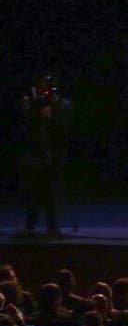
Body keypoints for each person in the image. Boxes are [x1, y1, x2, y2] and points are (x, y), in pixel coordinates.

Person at [16, 75, 72, 239]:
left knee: (50, 193)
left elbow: (65, 128)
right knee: (34, 192)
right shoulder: (33, 104)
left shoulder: (62, 104)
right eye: (38, 86)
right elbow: (26, 127)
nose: (40, 89)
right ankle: (30, 226)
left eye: (43, 86)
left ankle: (51, 227)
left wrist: (52, 117)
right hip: (36, 155)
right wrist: (28, 109)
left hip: (53, 155)